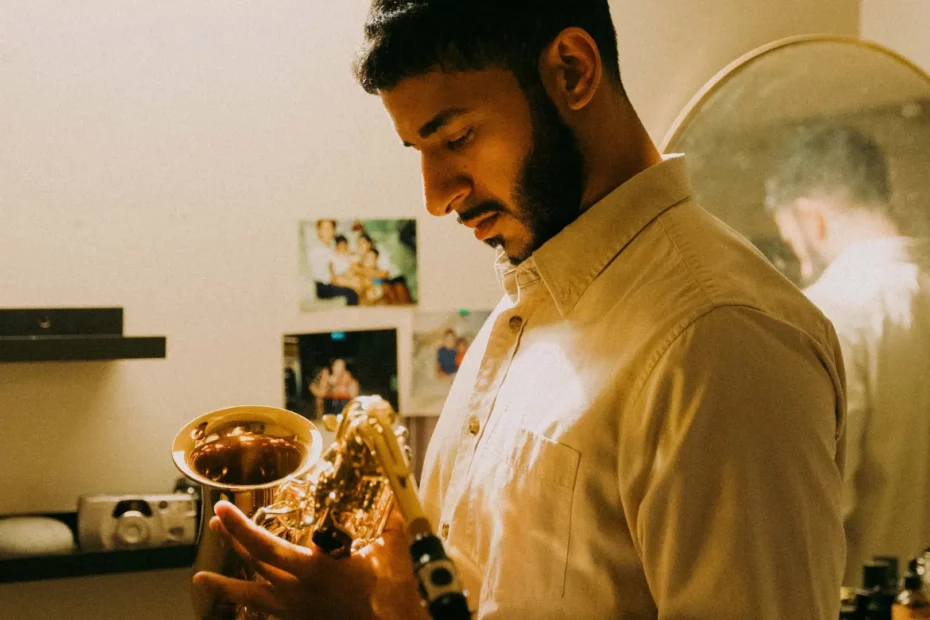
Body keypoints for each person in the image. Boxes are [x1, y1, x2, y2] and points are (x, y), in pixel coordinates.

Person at [194, 2, 847, 618]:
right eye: (419, 152)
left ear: (572, 70)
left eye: (456, 137)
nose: (435, 195)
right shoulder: (526, 311)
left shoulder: (720, 337)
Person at [765, 123, 930, 585]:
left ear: (810, 218)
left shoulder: (829, 314)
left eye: (791, 240)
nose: (798, 261)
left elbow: (819, 509)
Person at [309, 219, 359, 306]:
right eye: (324, 228)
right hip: (324, 287)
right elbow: (328, 277)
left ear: (334, 230)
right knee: (352, 293)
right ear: (318, 231)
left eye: (330, 228)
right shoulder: (317, 250)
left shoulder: (332, 246)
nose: (327, 232)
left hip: (336, 279)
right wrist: (349, 283)